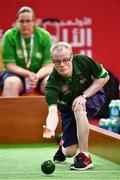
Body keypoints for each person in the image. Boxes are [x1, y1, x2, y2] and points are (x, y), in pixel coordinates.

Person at [43, 42, 109, 170]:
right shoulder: (51, 84)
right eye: (57, 61)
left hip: (92, 94)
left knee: (79, 108)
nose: (62, 64)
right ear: (52, 61)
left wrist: (84, 96)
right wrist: (50, 127)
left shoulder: (82, 61)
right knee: (69, 152)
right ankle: (63, 143)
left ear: (71, 57)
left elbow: (104, 77)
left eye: (65, 60)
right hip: (67, 107)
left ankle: (85, 156)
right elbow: (52, 111)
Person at [1, 6, 53, 96]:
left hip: (40, 74)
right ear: (17, 22)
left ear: (34, 22)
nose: (25, 24)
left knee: (50, 83)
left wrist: (36, 76)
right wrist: (28, 74)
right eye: (21, 21)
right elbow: (9, 65)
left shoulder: (44, 36)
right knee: (11, 83)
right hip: (16, 74)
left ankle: (53, 110)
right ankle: (11, 110)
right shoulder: (9, 36)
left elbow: (48, 65)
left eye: (28, 21)